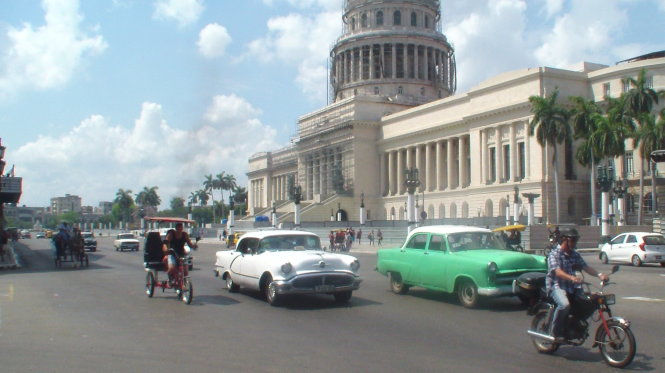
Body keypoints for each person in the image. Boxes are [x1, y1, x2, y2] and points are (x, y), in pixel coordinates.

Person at [546, 227, 608, 342]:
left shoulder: (575, 255)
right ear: (565, 240)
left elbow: (586, 267)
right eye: (573, 240)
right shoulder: (554, 254)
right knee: (565, 305)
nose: (575, 243)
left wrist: (600, 275)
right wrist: (571, 278)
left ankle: (575, 323)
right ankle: (555, 332)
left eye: (575, 240)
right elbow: (557, 271)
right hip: (556, 286)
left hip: (573, 287)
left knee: (591, 302)